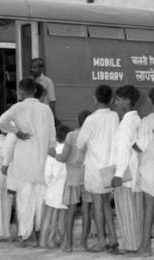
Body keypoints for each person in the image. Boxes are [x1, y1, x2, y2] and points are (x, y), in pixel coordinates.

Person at [0, 78, 56, 248]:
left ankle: (26, 236)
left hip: (24, 161)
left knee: (24, 200)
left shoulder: (18, 107)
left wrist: (17, 132)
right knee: (40, 200)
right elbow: (52, 137)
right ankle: (39, 233)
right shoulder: (45, 109)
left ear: (20, 92)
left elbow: (0, 122)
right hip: (42, 160)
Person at [77, 84, 118, 253]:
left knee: (98, 205)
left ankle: (102, 240)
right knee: (106, 203)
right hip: (111, 166)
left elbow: (80, 142)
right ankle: (113, 238)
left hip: (95, 167)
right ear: (112, 99)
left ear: (95, 98)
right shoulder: (114, 116)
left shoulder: (91, 119)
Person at [110, 85, 142, 253]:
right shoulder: (137, 120)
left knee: (126, 211)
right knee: (135, 211)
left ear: (127, 102)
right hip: (135, 172)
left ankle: (129, 246)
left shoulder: (126, 124)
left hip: (125, 174)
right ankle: (135, 243)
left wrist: (118, 174)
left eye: (119, 99)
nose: (115, 103)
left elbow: (123, 150)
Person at [55, 110, 92, 252]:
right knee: (86, 211)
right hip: (87, 177)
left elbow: (63, 157)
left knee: (70, 212)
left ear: (78, 121)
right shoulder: (91, 136)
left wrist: (53, 154)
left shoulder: (71, 135)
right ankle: (84, 243)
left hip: (72, 178)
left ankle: (68, 244)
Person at [40, 125, 68, 249]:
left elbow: (47, 174)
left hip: (53, 187)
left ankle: (45, 241)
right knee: (62, 216)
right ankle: (60, 239)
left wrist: (49, 184)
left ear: (56, 137)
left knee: (49, 216)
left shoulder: (53, 151)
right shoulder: (69, 151)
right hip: (65, 187)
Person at [134, 88, 154, 257]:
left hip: (150, 171)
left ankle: (146, 247)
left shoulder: (147, 122)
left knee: (148, 210)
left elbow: (140, 146)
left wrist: (129, 142)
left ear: (150, 101)